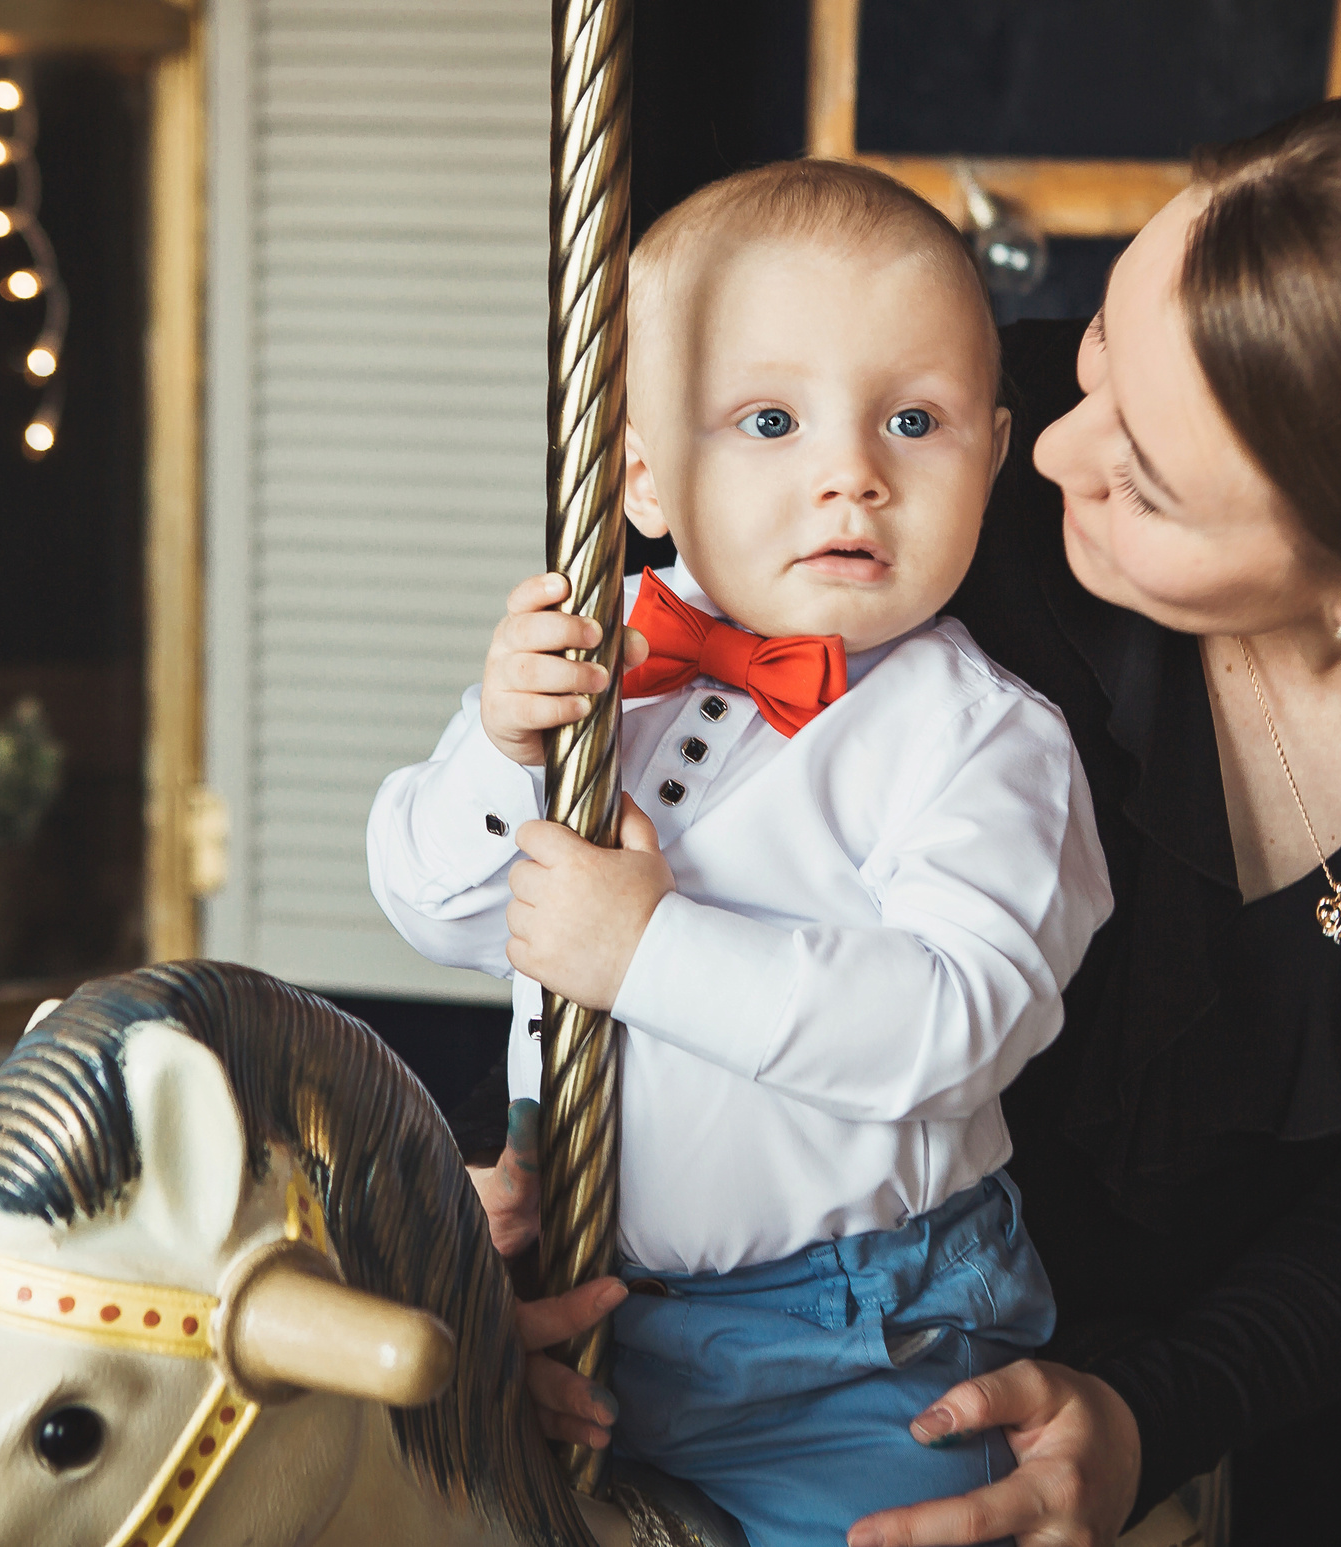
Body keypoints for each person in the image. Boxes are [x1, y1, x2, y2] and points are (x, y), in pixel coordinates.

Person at [489, 93, 1341, 1547]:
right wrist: (567, 1207)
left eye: (1145, 485)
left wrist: (1159, 1411)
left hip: (1285, 1404)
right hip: (828, 1340)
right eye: (1099, 357)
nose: (1049, 454)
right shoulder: (946, 465)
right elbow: (665, 853)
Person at [367, 159, 1114, 1547]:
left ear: (995, 459)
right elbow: (434, 906)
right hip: (581, 1300)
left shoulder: (984, 742)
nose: (853, 474)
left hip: (858, 1347)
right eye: (769, 419)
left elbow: (951, 1025)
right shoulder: (598, 666)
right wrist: (496, 750)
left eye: (916, 420)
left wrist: (646, 950)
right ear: (641, 470)